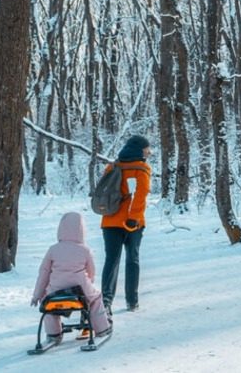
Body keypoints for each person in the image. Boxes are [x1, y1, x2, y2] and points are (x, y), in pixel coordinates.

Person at [31, 212, 112, 344]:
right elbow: (91, 272)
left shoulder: (53, 250)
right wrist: (89, 283)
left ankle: (54, 334)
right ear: (82, 231)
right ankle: (102, 328)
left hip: (55, 291)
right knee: (96, 299)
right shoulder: (85, 250)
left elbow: (43, 274)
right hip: (80, 291)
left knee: (47, 303)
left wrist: (37, 295)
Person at [101, 135, 152, 314]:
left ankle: (106, 301)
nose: (149, 153)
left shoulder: (112, 166)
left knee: (111, 260)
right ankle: (132, 301)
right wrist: (134, 216)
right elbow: (141, 193)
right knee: (133, 260)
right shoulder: (141, 168)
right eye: (147, 149)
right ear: (140, 150)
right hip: (132, 223)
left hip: (109, 221)